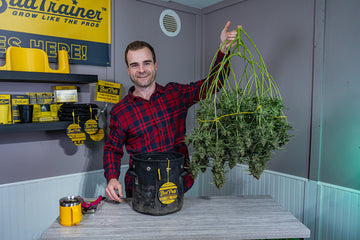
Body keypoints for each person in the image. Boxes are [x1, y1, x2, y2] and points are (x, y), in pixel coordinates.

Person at [103, 21, 240, 202]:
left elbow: (214, 83)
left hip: (176, 183)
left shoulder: (175, 94)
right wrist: (112, 178)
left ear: (156, 65)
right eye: (135, 65)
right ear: (128, 69)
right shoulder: (121, 111)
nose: (142, 70)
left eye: (146, 63)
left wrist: (223, 50)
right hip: (140, 187)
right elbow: (112, 149)